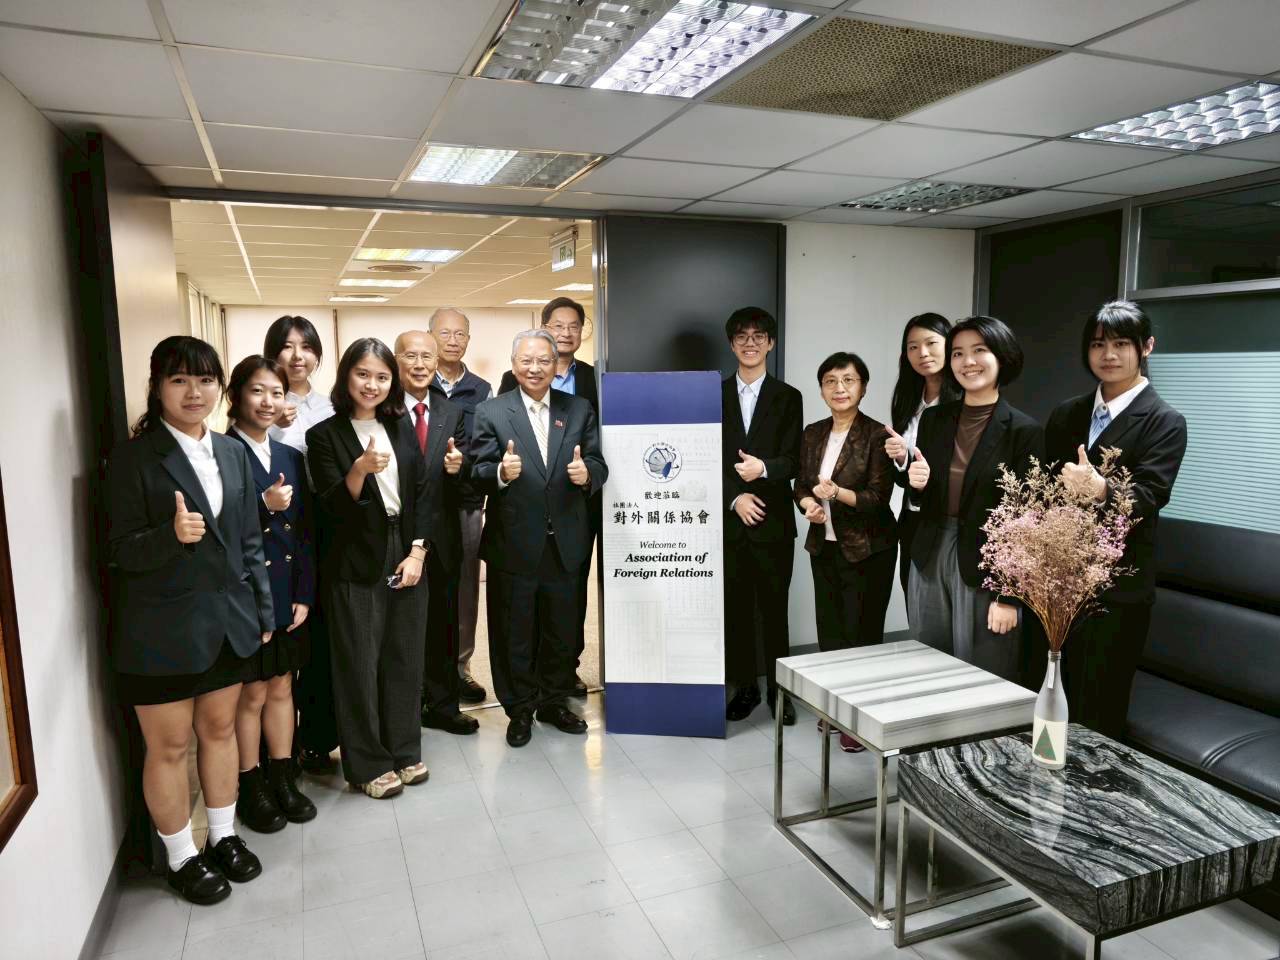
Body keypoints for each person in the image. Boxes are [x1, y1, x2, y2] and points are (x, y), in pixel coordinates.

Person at [107, 336, 273, 905]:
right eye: (179, 380)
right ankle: (181, 855)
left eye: (205, 380)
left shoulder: (231, 451)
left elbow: (250, 541)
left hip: (227, 622)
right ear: (157, 387)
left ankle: (224, 835)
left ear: (219, 387)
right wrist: (170, 537)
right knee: (170, 747)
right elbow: (116, 552)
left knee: (220, 733)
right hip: (161, 631)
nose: (194, 392)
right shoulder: (133, 458)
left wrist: (262, 610)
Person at [1045, 301, 1187, 738]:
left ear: (1147, 347)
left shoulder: (1165, 421)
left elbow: (1151, 495)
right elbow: (1044, 491)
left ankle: (1095, 782)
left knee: (1099, 703)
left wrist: (1102, 489)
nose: (1108, 354)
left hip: (1119, 586)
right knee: (1051, 692)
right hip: (1058, 581)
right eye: (1097, 345)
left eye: (1121, 344)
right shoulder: (1067, 413)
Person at [305, 339, 431, 799]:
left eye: (381, 376)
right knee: (359, 662)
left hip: (405, 545)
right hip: (354, 555)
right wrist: (358, 470)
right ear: (346, 377)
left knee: (404, 655)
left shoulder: (400, 427)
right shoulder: (324, 435)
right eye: (363, 374)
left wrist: (418, 551)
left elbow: (422, 492)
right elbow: (330, 510)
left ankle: (404, 749)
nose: (372, 384)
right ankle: (367, 764)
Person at [471, 329, 608, 748]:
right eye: (527, 361)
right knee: (514, 632)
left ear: (556, 364)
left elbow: (599, 462)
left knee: (561, 630)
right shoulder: (491, 411)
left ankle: (553, 702)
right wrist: (499, 472)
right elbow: (476, 470)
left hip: (566, 542)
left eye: (543, 360)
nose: (535, 368)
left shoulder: (578, 408)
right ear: (514, 364)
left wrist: (588, 475)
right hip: (514, 542)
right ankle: (519, 709)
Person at [906, 316, 1043, 684]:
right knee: (928, 662)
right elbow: (925, 490)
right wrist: (916, 485)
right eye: (958, 353)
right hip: (930, 551)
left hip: (988, 560)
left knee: (983, 669)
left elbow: (1028, 521)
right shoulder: (934, 419)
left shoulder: (1024, 430)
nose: (967, 362)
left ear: (1002, 356)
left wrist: (1010, 596)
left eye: (979, 351)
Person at [224, 356, 317, 832]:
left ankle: (283, 777)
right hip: (246, 594)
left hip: (286, 591)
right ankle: (251, 785)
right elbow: (218, 529)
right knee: (252, 694)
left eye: (277, 393)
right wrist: (262, 505)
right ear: (236, 395)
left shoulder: (289, 456)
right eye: (257, 391)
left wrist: (304, 592)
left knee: (283, 685)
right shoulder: (221, 453)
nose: (268, 401)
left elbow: (305, 532)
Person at [794, 352, 897, 752]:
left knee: (862, 635)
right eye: (830, 381)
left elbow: (877, 499)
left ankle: (860, 719)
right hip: (824, 545)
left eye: (848, 380)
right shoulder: (812, 433)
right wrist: (810, 505)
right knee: (831, 632)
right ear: (822, 389)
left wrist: (837, 493)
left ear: (863, 387)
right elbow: (801, 485)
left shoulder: (877, 435)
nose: (839, 388)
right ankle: (835, 707)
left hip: (869, 549)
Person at [498, 296, 598, 697]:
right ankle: (527, 693)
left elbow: (597, 448)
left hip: (573, 512)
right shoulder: (506, 391)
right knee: (523, 611)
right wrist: (502, 472)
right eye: (558, 325)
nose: (566, 332)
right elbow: (494, 451)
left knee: (568, 603)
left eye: (574, 326)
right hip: (523, 520)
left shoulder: (590, 385)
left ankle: (563, 676)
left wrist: (588, 474)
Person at [263, 315, 338, 776]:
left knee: (321, 644)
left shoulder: (331, 406)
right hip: (280, 534)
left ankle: (317, 740)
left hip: (327, 532)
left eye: (306, 346)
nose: (297, 356)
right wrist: (273, 424)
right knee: (282, 648)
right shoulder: (261, 408)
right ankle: (276, 751)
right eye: (287, 346)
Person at [721, 307, 803, 725]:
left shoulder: (789, 397)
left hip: (773, 524)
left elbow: (794, 460)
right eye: (742, 336)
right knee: (735, 612)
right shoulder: (713, 394)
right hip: (730, 524)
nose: (750, 343)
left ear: (771, 343)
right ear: (731, 344)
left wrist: (764, 469)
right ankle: (745, 689)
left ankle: (779, 692)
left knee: (774, 612)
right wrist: (735, 498)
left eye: (758, 336)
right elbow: (703, 459)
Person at [394, 329, 477, 737]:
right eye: (411, 356)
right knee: (398, 629)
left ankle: (443, 705)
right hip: (394, 537)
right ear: (396, 360)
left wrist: (459, 469)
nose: (420, 364)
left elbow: (467, 481)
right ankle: (401, 710)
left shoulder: (451, 412)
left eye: (427, 356)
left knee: (443, 625)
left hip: (442, 537)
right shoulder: (383, 409)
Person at [430, 307, 493, 705]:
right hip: (425, 501)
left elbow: (485, 444)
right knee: (424, 585)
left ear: (468, 340)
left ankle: (460, 667)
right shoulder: (415, 382)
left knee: (466, 586)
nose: (453, 341)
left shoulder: (481, 389)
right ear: (431, 336)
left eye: (460, 334)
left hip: (467, 500)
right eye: (445, 333)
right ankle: (425, 670)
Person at [884, 314, 961, 600]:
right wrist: (900, 459)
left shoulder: (964, 400)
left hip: (949, 520)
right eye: (913, 347)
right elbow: (902, 478)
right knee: (914, 601)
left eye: (931, 343)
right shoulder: (907, 400)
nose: (923, 353)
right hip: (913, 520)